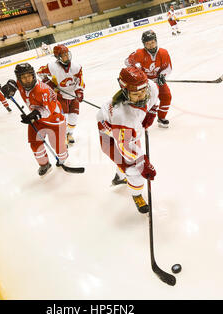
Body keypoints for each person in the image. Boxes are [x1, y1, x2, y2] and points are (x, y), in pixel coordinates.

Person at [96, 67, 159, 214]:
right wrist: (143, 163)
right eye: (136, 94)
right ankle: (137, 195)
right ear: (125, 92)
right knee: (133, 169)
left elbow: (155, 95)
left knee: (127, 164)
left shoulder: (147, 85)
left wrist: (152, 111)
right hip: (110, 138)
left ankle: (119, 177)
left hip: (127, 134)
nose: (142, 96)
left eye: (144, 92)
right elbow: (125, 146)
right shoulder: (122, 116)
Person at [0, 63, 68, 177]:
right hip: (37, 119)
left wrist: (33, 115)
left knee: (59, 148)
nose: (27, 80)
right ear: (19, 79)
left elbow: (48, 110)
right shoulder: (21, 84)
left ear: (33, 75)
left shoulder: (43, 90)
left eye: (29, 76)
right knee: (35, 145)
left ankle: (63, 156)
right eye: (23, 77)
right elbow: (12, 85)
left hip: (54, 120)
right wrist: (8, 89)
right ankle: (44, 164)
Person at [37, 44, 85, 145]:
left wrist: (79, 91)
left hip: (73, 96)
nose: (66, 57)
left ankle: (70, 134)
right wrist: (48, 82)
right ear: (58, 58)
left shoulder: (77, 67)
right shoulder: (52, 67)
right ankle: (63, 135)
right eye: (63, 55)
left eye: (67, 54)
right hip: (60, 96)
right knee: (64, 118)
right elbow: (39, 72)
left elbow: (80, 80)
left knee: (73, 118)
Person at [125, 30, 173, 128]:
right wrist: (137, 73)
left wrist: (162, 75)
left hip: (158, 80)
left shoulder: (163, 52)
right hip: (145, 83)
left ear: (156, 41)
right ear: (144, 44)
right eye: (147, 43)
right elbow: (127, 62)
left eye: (152, 42)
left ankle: (161, 118)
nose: (151, 45)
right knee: (148, 102)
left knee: (166, 96)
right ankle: (140, 121)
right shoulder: (138, 53)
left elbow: (168, 67)